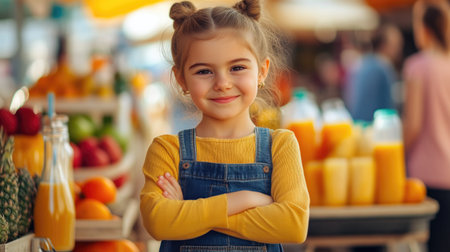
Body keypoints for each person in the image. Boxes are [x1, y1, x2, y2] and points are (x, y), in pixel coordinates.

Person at [139, 0, 310, 251]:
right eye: (204, 71)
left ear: (262, 72)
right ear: (181, 78)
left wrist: (187, 213)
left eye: (237, 67)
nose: (222, 83)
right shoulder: (166, 150)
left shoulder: (280, 145)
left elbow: (293, 226)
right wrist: (244, 199)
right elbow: (158, 222)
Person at [403, 1, 450, 251]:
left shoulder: (417, 66)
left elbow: (414, 125)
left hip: (425, 175)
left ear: (424, 28)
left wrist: (397, 155)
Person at [348, 23, 404, 122]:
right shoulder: (384, 67)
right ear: (384, 45)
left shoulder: (362, 63)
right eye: (396, 45)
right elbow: (389, 106)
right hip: (376, 127)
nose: (399, 49)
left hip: (358, 124)